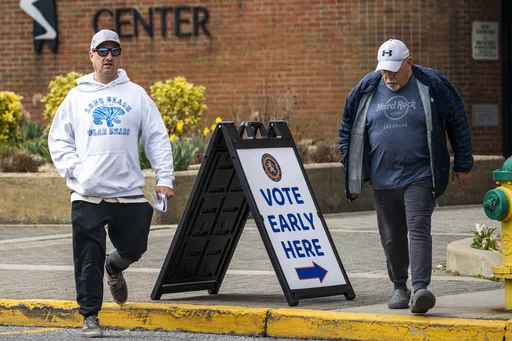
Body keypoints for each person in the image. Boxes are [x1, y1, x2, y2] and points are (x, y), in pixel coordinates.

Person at [48, 29, 175, 337]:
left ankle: (115, 266)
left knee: (134, 248)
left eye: (113, 51)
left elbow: (156, 137)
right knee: (87, 257)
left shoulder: (136, 94)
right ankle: (90, 316)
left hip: (128, 191)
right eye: (101, 51)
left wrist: (165, 177)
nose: (108, 56)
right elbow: (59, 139)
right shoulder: (76, 97)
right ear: (91, 56)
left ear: (120, 56)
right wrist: (77, 172)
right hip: (88, 194)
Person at [338, 39, 473, 314]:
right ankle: (399, 286)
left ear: (408, 63)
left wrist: (463, 163)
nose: (387, 76)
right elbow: (346, 126)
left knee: (418, 226)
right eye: (384, 70)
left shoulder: (432, 83)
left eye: (393, 69)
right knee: (391, 236)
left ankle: (421, 288)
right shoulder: (367, 87)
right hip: (382, 176)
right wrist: (350, 159)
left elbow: (457, 119)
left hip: (421, 173)